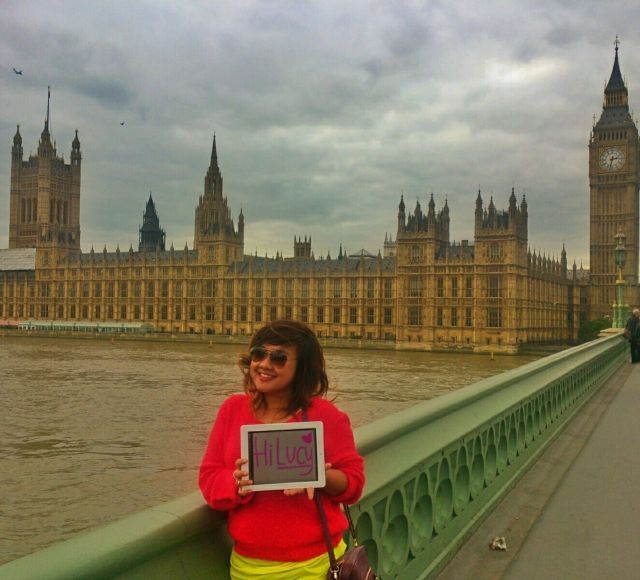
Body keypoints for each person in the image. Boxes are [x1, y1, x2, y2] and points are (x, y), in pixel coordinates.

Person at [199, 320, 365, 579]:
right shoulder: (233, 409)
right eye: (258, 354)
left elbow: (353, 484)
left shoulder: (327, 417)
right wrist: (236, 483)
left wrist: (319, 475)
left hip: (318, 566)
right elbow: (209, 479)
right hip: (249, 567)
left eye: (278, 358)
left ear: (302, 369)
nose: (264, 364)